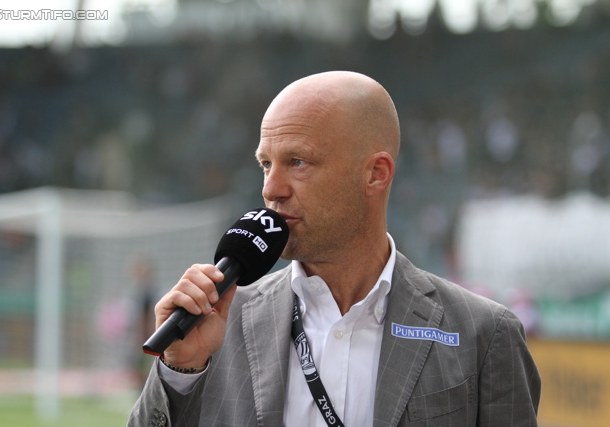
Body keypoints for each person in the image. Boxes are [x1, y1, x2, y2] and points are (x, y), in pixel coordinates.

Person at [127, 71, 541, 426]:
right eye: (266, 164)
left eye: (298, 162)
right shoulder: (215, 324)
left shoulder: (483, 334)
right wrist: (180, 369)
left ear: (376, 174)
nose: (271, 189)